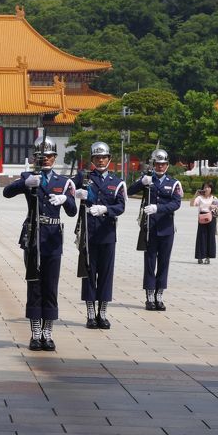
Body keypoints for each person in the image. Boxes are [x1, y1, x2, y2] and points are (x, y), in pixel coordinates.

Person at [3, 136, 76, 351]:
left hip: (53, 237)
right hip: (33, 235)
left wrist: (66, 199)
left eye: (48, 156)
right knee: (34, 285)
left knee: (51, 285)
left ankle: (48, 332)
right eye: (40, 157)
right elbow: (7, 193)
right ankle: (35, 332)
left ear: (54, 158)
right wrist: (24, 183)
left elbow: (72, 212)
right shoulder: (29, 176)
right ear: (35, 157)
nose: (44, 160)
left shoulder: (64, 183)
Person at [75, 141, 127, 329]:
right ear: (92, 159)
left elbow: (121, 206)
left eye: (104, 157)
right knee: (89, 273)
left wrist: (106, 209)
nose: (101, 160)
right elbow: (68, 188)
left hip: (107, 233)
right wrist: (76, 193)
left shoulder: (117, 181)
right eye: (97, 157)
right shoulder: (84, 176)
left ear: (110, 159)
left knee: (105, 274)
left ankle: (102, 313)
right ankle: (90, 313)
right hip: (89, 232)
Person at [128, 148, 182, 311]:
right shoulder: (147, 180)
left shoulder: (173, 183)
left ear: (167, 165)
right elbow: (128, 192)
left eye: (163, 164)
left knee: (164, 262)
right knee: (150, 262)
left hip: (166, 228)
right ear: (153, 165)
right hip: (150, 229)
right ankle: (149, 295)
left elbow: (176, 203)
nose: (160, 167)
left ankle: (160, 294)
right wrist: (141, 182)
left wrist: (158, 208)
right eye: (157, 164)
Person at [190, 181, 218, 265]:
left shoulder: (214, 198)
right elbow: (192, 204)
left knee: (210, 237)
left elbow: (217, 210)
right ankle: (200, 257)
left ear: (211, 189)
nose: (206, 189)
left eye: (208, 187)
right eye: (205, 187)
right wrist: (196, 194)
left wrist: (214, 207)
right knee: (201, 237)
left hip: (211, 218)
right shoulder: (199, 198)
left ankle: (208, 257)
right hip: (202, 217)